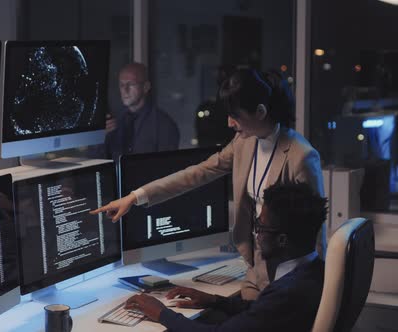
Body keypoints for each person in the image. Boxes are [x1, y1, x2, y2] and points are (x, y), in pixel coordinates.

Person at [91, 68, 325, 300]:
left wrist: (318, 295)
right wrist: (135, 197)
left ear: (260, 111)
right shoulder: (244, 142)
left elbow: (316, 234)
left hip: (287, 277)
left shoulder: (301, 156)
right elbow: (197, 174)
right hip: (254, 268)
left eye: (235, 115)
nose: (229, 122)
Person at [123, 183, 328, 332]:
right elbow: (260, 313)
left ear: (282, 239)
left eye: (261, 227)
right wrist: (214, 300)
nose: (256, 234)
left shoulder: (287, 292)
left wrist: (160, 313)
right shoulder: (314, 271)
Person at [103, 62, 180, 161]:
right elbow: (97, 160)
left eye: (131, 84)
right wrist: (100, 139)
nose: (125, 90)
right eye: (122, 85)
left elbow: (167, 168)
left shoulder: (164, 125)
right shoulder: (114, 122)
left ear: (146, 87)